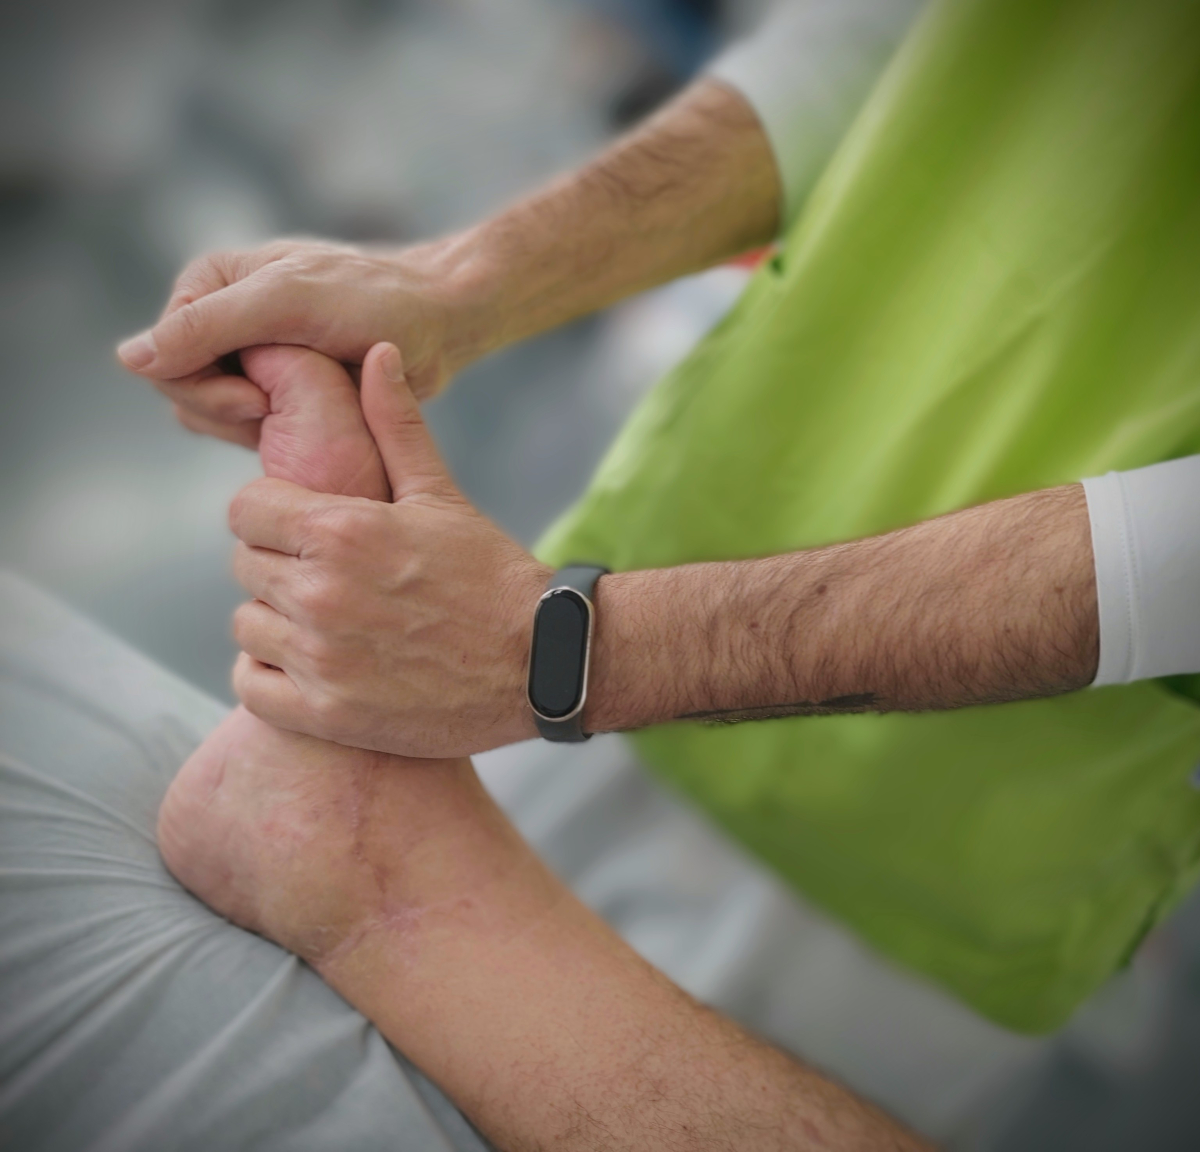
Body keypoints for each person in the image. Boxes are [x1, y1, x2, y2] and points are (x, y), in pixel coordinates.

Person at [119, 0, 1200, 1035]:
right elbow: (921, 39)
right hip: (597, 637)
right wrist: (454, 283)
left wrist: (571, 647)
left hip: (937, 871)